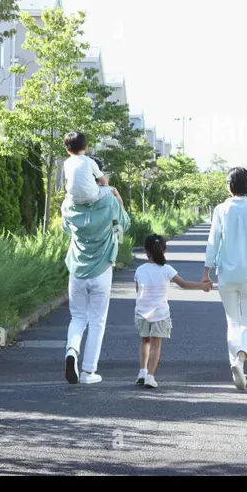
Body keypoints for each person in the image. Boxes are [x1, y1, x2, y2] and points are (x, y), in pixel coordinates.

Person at [203, 167, 247, 391]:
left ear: (230, 186)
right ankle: (239, 360)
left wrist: (206, 271)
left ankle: (236, 363)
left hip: (226, 274)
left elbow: (213, 242)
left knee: (232, 322)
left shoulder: (221, 210)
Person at [62, 171, 131, 386]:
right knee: (97, 321)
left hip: (77, 269)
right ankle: (88, 371)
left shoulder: (68, 203)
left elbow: (66, 229)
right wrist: (116, 196)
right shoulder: (110, 200)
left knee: (77, 317)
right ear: (99, 178)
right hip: (101, 269)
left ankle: (71, 351)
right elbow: (123, 226)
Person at [134, 234, 212, 388]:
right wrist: (202, 286)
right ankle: (150, 376)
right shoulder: (167, 269)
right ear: (165, 251)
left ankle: (142, 372)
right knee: (156, 344)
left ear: (145, 251)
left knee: (145, 341)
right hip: (160, 313)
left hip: (142, 312)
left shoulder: (140, 270)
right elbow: (183, 284)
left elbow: (138, 291)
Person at [63, 131, 123, 207]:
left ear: (67, 150)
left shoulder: (67, 163)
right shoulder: (89, 161)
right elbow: (102, 179)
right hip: (91, 197)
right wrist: (106, 189)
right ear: (86, 146)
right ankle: (123, 213)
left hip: (73, 199)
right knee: (114, 190)